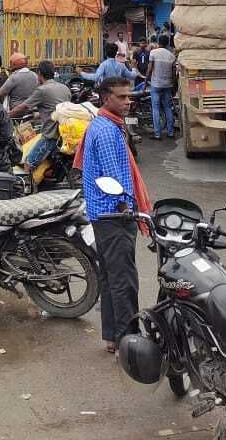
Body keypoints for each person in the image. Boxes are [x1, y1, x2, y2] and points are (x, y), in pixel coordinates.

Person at [82, 76, 142, 352]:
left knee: (110, 278)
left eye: (129, 97)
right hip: (113, 216)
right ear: (106, 98)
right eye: (122, 97)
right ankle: (129, 342)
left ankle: (112, 337)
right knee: (123, 281)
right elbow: (114, 180)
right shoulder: (106, 131)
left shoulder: (108, 124)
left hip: (102, 215)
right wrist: (126, 209)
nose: (128, 101)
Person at [10, 60, 72, 168]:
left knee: (28, 163)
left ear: (39, 73)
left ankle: (29, 184)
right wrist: (37, 115)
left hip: (50, 136)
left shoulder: (42, 90)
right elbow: (58, 108)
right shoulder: (65, 88)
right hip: (65, 136)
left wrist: (6, 115)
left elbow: (22, 107)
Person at [146, 34, 177, 140]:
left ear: (158, 42)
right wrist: (174, 85)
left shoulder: (153, 52)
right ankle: (170, 132)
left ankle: (157, 134)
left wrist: (145, 82)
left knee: (156, 109)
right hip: (167, 85)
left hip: (155, 85)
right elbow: (174, 73)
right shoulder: (171, 55)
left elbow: (149, 69)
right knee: (168, 108)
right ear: (168, 43)